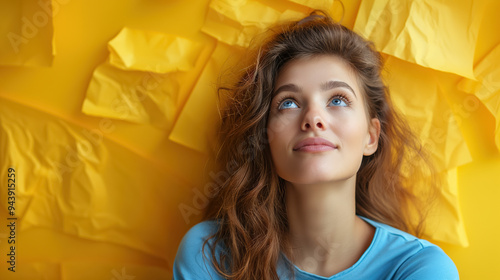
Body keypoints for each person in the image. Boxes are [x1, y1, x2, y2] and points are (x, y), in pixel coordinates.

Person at [173, 11, 459, 280]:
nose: (313, 118)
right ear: (264, 138)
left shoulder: (420, 268)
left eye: (337, 99)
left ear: (370, 137)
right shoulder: (211, 254)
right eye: (288, 103)